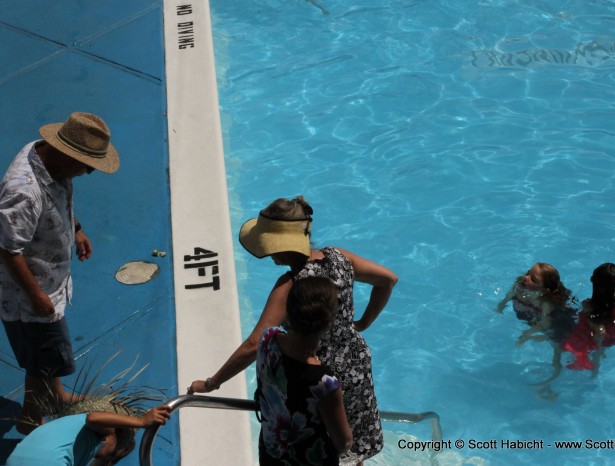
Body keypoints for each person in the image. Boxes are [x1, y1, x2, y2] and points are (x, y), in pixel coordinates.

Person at [189, 196, 398, 464]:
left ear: (279, 247)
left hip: (312, 378)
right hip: (354, 367)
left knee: (316, 446)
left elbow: (254, 345)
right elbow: (388, 280)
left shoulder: (291, 285)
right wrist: (362, 324)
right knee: (347, 446)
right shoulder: (340, 258)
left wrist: (212, 382)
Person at [0, 112, 120, 433]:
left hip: (47, 282)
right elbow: (7, 250)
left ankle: (56, 397)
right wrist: (36, 296)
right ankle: (31, 420)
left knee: (47, 358)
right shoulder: (23, 192)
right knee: (42, 361)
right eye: (87, 165)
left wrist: (75, 227)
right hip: (29, 298)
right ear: (66, 153)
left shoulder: (47, 157)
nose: (89, 171)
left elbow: (57, 197)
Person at [256, 276, 352, 465]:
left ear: (289, 311)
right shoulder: (325, 383)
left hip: (272, 454)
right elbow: (344, 442)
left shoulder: (268, 339)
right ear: (329, 322)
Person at [6, 403, 171, 465]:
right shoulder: (102, 430)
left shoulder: (62, 428)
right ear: (112, 433)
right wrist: (141, 422)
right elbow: (94, 418)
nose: (99, 456)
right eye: (108, 455)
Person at [560, 263, 615, 373]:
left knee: (570, 339)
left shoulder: (589, 304)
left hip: (600, 335)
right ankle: (599, 356)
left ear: (594, 282)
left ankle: (596, 360)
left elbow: (600, 331)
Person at [496, 262, 575, 346]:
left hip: (551, 320)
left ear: (544, 290)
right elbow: (508, 296)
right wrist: (500, 307)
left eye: (533, 279)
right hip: (527, 313)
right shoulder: (519, 285)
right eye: (528, 273)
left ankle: (557, 355)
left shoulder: (545, 304)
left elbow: (545, 323)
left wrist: (528, 332)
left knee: (556, 339)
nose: (526, 278)